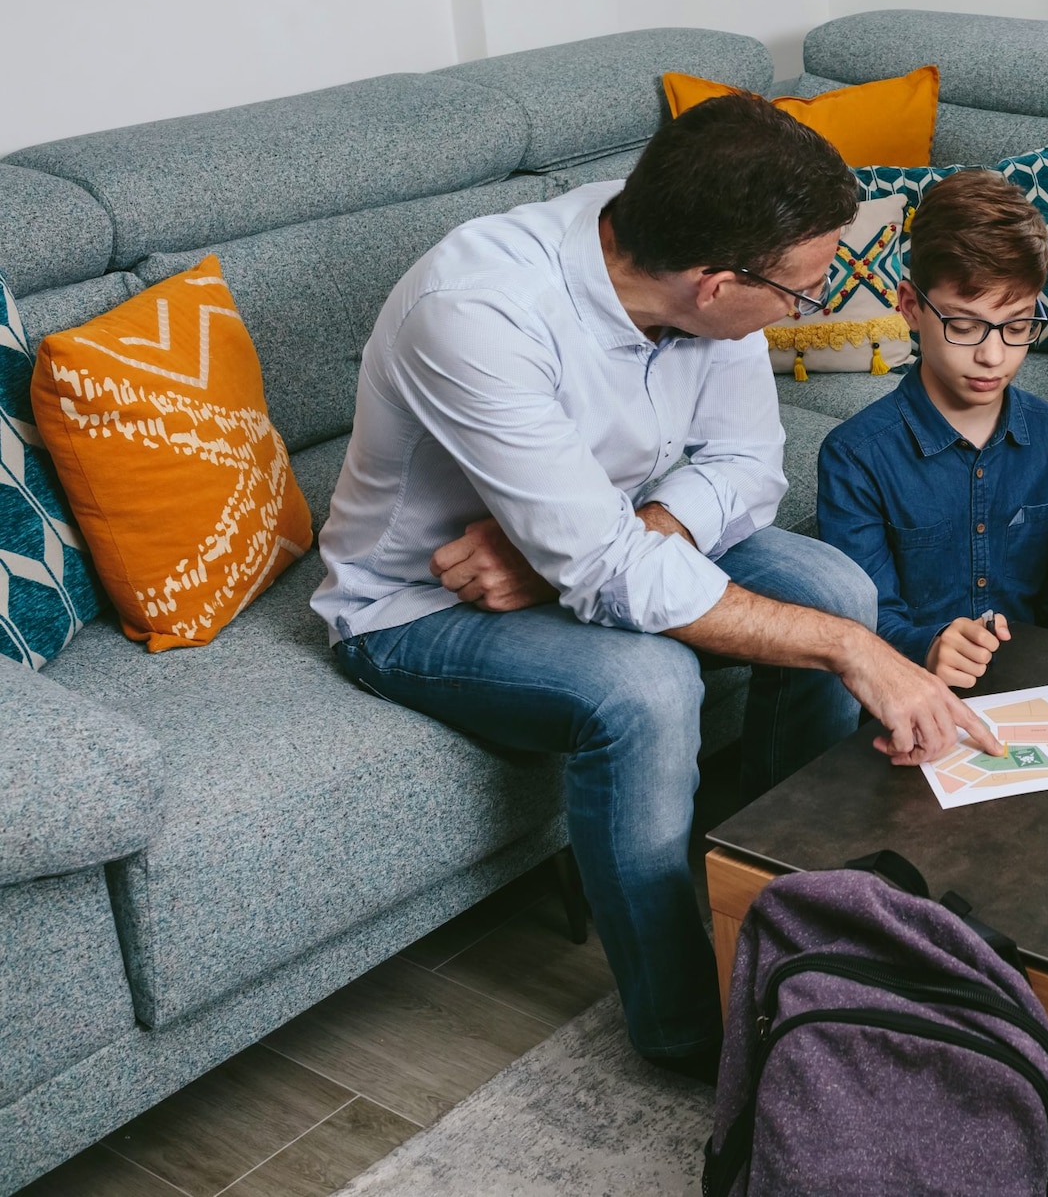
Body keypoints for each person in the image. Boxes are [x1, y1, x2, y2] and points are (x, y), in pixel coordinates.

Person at [310, 94, 1000, 1080]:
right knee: (649, 692)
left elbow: (750, 462)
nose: (806, 307)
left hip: (611, 526)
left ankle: (783, 912)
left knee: (834, 587)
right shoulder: (475, 311)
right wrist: (853, 654)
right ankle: (685, 1031)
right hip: (415, 606)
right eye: (801, 293)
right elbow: (601, 569)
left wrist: (598, 538)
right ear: (717, 287)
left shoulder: (687, 248)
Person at [818, 171, 1048, 689]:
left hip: (1038, 694)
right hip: (909, 691)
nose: (993, 355)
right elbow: (862, 619)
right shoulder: (855, 456)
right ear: (910, 308)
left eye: (1016, 327)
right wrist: (927, 647)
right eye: (964, 326)